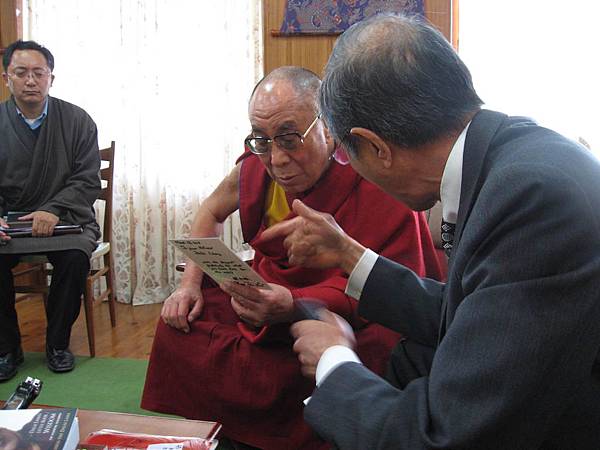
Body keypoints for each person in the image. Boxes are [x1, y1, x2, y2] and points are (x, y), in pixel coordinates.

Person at [263, 14, 600, 450]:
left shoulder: (530, 198)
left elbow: (443, 436)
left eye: (349, 155)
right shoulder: (516, 153)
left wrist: (334, 360)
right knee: (411, 355)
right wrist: (350, 256)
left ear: (376, 147)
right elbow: (477, 309)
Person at [141, 66, 443, 450]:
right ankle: (227, 434)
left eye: (289, 138)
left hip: (349, 308)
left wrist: (294, 306)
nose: (277, 159)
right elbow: (210, 212)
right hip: (267, 290)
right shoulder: (255, 168)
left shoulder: (373, 175)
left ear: (329, 128)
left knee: (373, 350)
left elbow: (396, 278)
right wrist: (189, 286)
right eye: (262, 140)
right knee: (180, 325)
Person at [0, 40, 101, 380]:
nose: (30, 80)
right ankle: (6, 348)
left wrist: (54, 209)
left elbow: (88, 180)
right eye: (21, 72)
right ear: (6, 77)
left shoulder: (78, 120)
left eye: (38, 73)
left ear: (51, 78)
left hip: (67, 220)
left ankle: (58, 344)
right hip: (10, 223)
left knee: (74, 258)